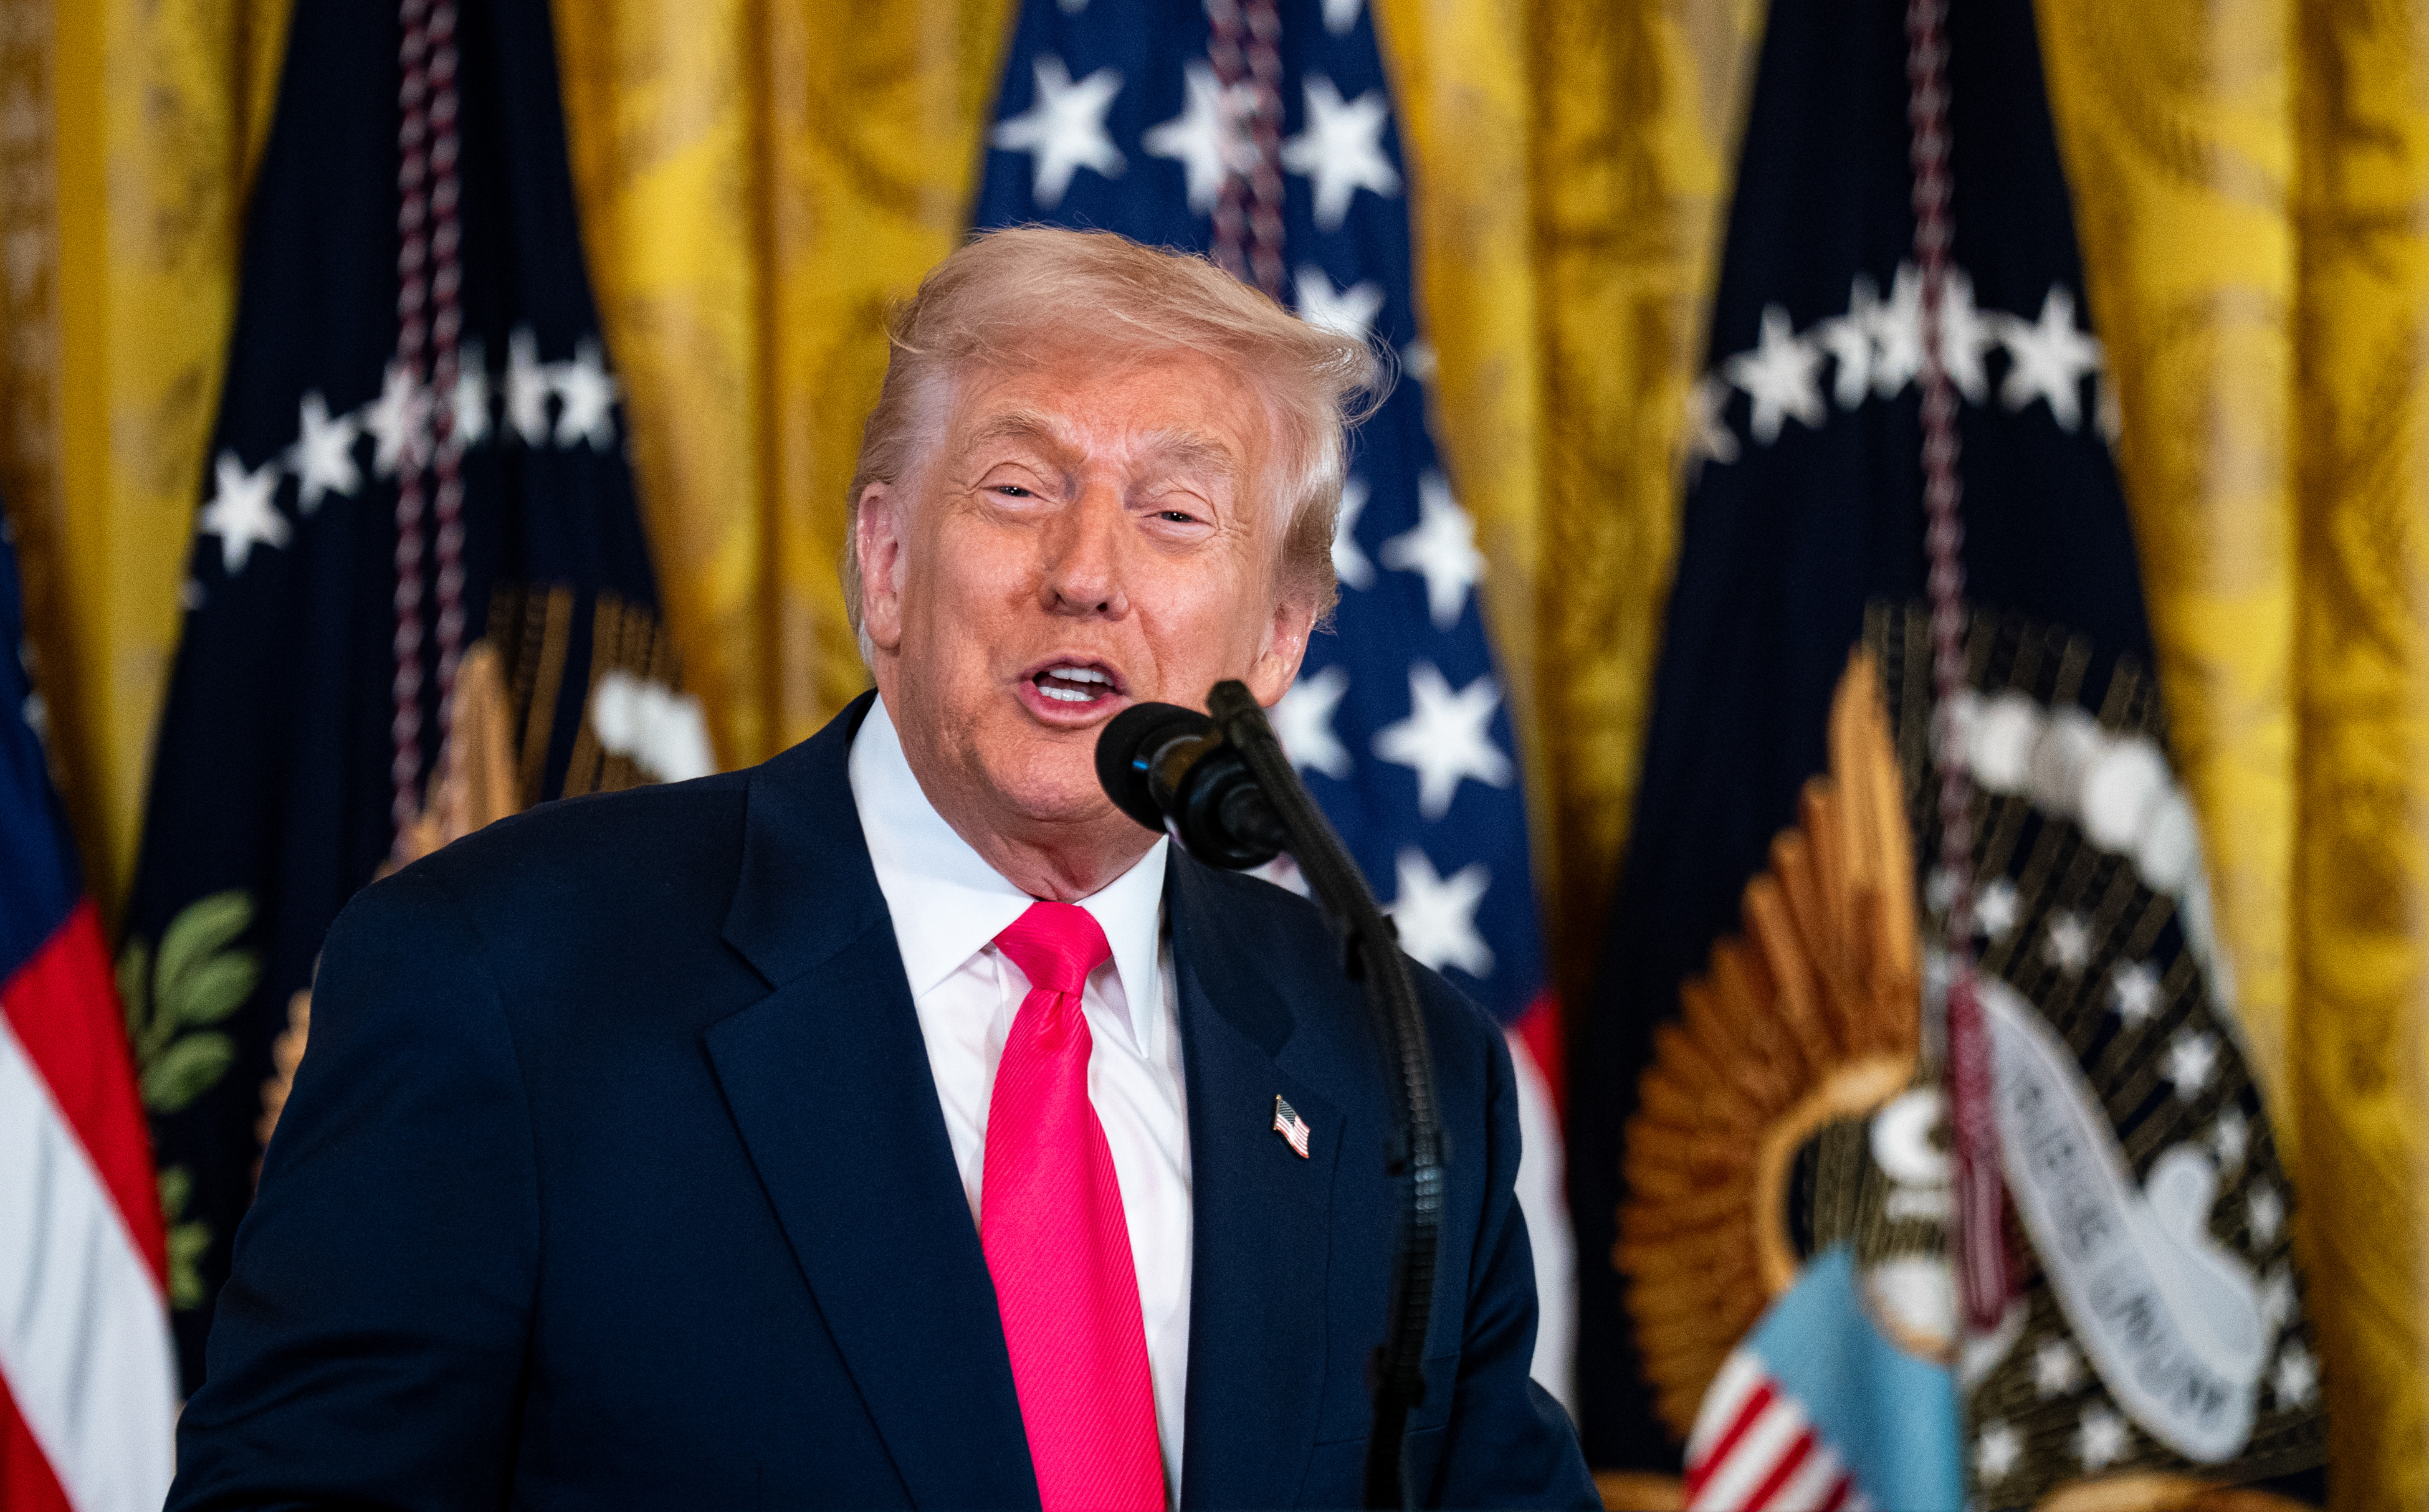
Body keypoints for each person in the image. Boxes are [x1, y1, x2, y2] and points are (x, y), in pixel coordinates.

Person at [169, 226, 1596, 1510]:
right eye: (1018, 485)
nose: (1084, 569)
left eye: (1172, 513)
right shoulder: (503, 974)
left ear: (1277, 636)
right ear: (887, 562)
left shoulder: (1402, 1067)